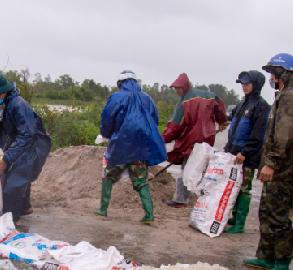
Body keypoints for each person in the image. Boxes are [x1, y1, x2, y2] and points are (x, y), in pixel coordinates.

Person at [243, 53, 293, 270]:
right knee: (266, 210)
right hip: (279, 167)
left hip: (284, 169)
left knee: (277, 216)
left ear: (284, 73)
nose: (271, 78)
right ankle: (266, 257)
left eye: (273, 73)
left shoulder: (289, 97)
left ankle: (282, 265)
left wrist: (272, 163)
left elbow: (284, 135)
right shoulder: (285, 94)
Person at [93, 70, 167, 224]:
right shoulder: (147, 99)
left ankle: (103, 209)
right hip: (141, 147)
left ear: (120, 83)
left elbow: (107, 118)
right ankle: (149, 215)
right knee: (140, 179)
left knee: (109, 175)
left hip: (120, 144)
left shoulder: (116, 97)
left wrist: (106, 134)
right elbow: (154, 119)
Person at [0, 74, 51, 225]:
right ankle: (25, 207)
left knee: (13, 183)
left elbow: (27, 135)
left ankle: (11, 222)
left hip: (34, 141)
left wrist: (7, 158)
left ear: (3, 92)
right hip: (18, 138)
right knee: (4, 174)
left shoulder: (18, 104)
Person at [162, 73, 229, 208]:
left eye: (179, 88)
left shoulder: (184, 103)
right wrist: (221, 120)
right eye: (175, 88)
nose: (177, 91)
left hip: (190, 141)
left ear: (185, 86)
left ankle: (182, 200)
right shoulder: (207, 95)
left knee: (186, 169)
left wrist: (162, 139)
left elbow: (175, 127)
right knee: (203, 168)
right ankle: (204, 200)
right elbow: (219, 103)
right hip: (207, 139)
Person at [223, 70, 271, 233]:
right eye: (242, 84)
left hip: (247, 156)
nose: (244, 87)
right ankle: (234, 216)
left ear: (256, 85)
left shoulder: (261, 106)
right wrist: (228, 148)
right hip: (234, 153)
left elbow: (258, 134)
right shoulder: (243, 103)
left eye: (247, 84)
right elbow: (234, 128)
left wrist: (245, 152)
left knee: (244, 188)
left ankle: (240, 224)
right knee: (234, 185)